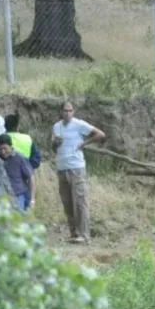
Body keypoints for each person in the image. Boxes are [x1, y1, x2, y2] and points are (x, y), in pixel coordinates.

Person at [52, 101, 106, 244]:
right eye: (64, 110)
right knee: (67, 202)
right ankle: (74, 233)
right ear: (61, 112)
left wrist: (84, 143)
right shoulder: (56, 127)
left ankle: (84, 234)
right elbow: (53, 147)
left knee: (80, 201)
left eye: (70, 111)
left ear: (73, 112)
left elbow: (100, 134)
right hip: (62, 167)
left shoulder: (79, 124)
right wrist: (55, 143)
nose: (67, 113)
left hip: (76, 166)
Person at [5, 113, 41, 208]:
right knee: (25, 206)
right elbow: (37, 159)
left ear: (4, 126)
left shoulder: (1, 140)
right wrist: (28, 167)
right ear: (18, 126)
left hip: (9, 177)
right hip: (26, 177)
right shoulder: (27, 138)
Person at [0, 134, 34, 212]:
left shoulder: (19, 158)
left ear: (10, 146)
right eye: (0, 149)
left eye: (5, 148)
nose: (3, 152)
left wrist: (32, 199)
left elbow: (31, 177)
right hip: (3, 196)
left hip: (19, 196)